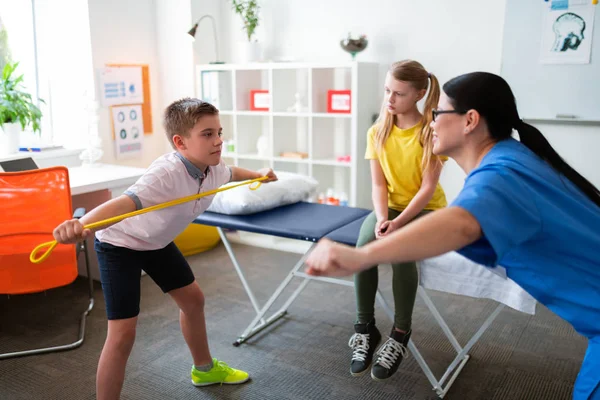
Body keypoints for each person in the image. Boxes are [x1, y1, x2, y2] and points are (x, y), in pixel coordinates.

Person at [305, 72, 600, 399]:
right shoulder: (513, 157)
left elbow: (460, 223)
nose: (431, 122)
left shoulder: (501, 175)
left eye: (438, 113)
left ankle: (400, 332)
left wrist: (362, 256)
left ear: (470, 120)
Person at [52, 98, 277, 400]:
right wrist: (80, 226)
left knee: (193, 301)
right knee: (122, 335)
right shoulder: (164, 174)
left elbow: (231, 172)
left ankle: (204, 370)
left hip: (155, 243)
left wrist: (258, 174)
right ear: (180, 142)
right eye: (207, 134)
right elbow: (123, 203)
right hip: (120, 245)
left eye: (219, 132)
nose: (219, 141)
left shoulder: (212, 168)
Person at [348, 60, 447, 381]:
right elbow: (378, 185)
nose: (390, 99)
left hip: (426, 209)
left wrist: (400, 223)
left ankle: (401, 332)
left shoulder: (431, 132)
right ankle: (365, 328)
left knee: (399, 251)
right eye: (388, 90)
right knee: (363, 250)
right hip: (388, 208)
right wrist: (381, 219)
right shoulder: (377, 130)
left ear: (419, 93)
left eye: (399, 94)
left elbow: (428, 188)